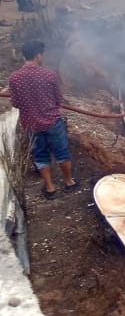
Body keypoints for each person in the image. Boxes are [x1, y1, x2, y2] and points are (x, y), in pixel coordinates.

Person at [5, 39, 76, 199]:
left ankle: (50, 188)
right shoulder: (49, 74)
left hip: (31, 124)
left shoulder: (14, 78)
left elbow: (15, 103)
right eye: (42, 55)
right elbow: (58, 99)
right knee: (62, 152)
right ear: (38, 56)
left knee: (40, 155)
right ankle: (69, 181)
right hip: (53, 122)